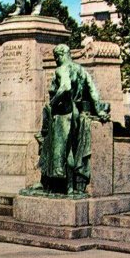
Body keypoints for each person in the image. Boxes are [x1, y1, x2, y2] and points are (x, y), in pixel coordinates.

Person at [37, 44, 110, 195]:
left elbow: (65, 87)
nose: (56, 60)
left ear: (61, 54)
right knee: (69, 150)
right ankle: (69, 187)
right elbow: (93, 93)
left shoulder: (62, 69)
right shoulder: (82, 70)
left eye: (56, 57)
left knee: (61, 152)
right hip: (76, 113)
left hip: (64, 114)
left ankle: (58, 185)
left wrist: (52, 103)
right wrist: (100, 111)